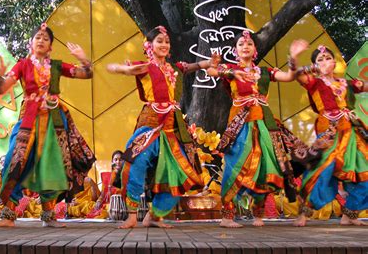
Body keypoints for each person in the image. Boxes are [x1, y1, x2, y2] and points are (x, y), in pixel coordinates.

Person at [0, 23, 95, 228]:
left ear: (51, 46)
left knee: (52, 166)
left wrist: (82, 58)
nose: (41, 40)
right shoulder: (22, 65)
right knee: (14, 160)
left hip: (55, 121)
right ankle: (8, 215)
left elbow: (86, 73)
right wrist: (0, 74)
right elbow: (2, 88)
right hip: (28, 119)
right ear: (30, 42)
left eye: (46, 38)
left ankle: (48, 215)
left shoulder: (56, 66)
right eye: (38, 37)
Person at [107, 25, 211, 228]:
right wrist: (120, 68)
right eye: (159, 41)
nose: (164, 44)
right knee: (134, 163)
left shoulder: (173, 69)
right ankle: (131, 214)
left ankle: (155, 216)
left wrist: (208, 62)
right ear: (149, 45)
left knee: (181, 174)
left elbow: (191, 67)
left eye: (167, 41)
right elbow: (126, 69)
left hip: (172, 128)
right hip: (150, 124)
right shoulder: (145, 66)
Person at [205, 31, 308, 228]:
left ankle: (258, 214)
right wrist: (217, 65)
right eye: (241, 43)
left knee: (265, 167)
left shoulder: (264, 72)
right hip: (240, 125)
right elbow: (212, 72)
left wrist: (293, 58)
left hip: (264, 125)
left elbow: (289, 76)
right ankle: (227, 216)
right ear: (235, 50)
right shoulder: (231, 70)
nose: (245, 46)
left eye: (249, 43)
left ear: (255, 50)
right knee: (235, 167)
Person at [293, 45, 367, 226]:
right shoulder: (314, 83)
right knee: (321, 170)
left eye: (328, 58)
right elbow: (297, 74)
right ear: (314, 65)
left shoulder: (346, 84)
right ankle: (304, 213)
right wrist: (295, 58)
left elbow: (364, 85)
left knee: (364, 170)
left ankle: (350, 214)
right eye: (320, 59)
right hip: (329, 132)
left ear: (334, 62)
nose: (325, 61)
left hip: (352, 131)